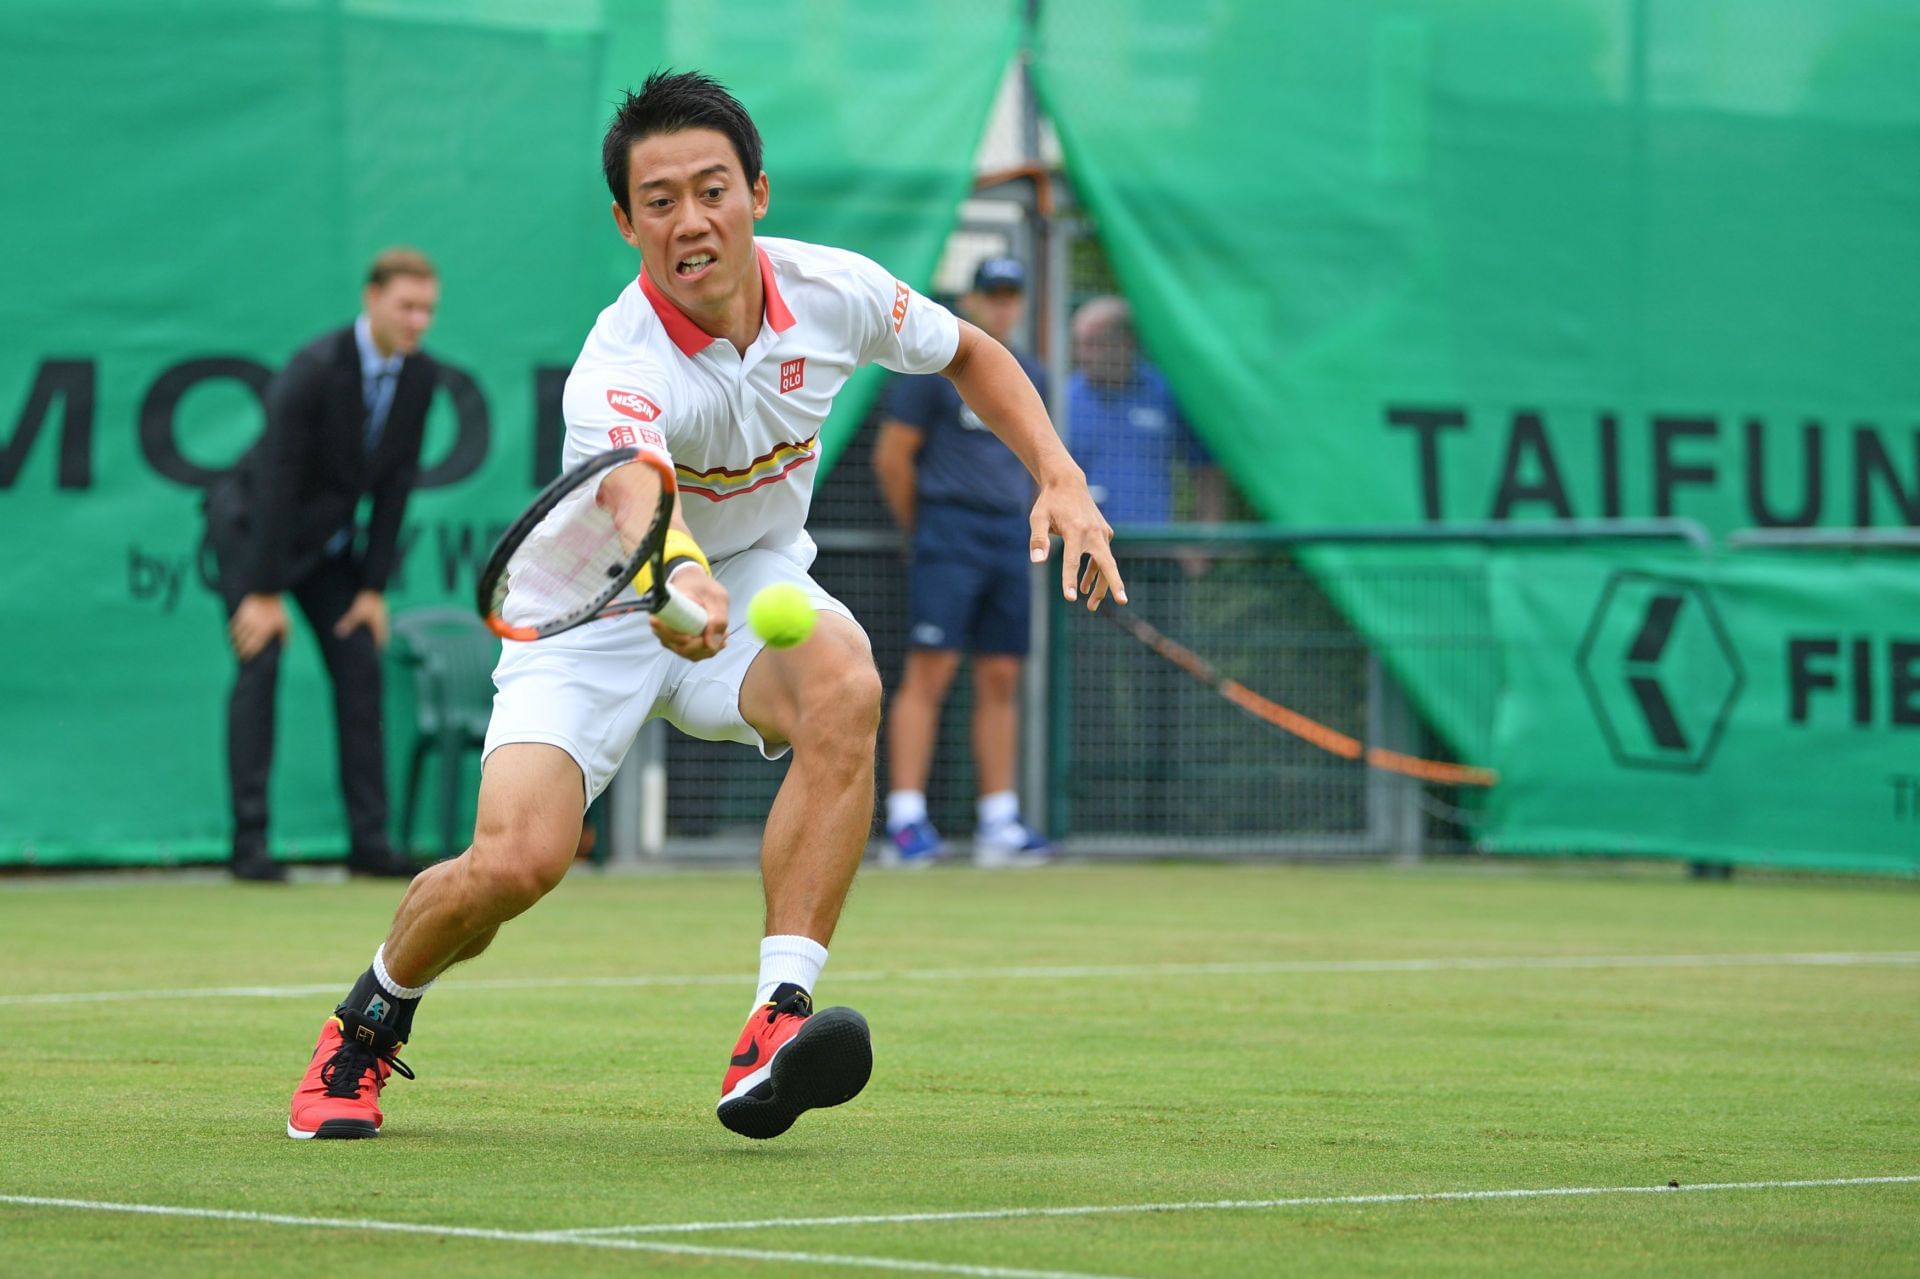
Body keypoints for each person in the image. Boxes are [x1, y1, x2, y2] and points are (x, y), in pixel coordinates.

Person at [284, 71, 1122, 1143]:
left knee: (846, 683)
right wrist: (679, 581)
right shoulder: (617, 365)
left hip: (756, 572)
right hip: (603, 606)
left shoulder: (836, 292)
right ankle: (370, 1015)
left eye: (712, 188)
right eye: (662, 199)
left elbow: (970, 352)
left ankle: (776, 1021)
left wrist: (1060, 473)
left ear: (757, 194)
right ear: (627, 222)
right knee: (517, 862)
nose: (692, 219)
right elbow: (640, 501)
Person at [202, 248, 441, 884]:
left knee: (360, 664)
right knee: (262, 663)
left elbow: (395, 486)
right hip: (256, 533)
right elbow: (278, 480)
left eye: (427, 309)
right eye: (406, 307)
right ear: (372, 299)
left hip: (329, 551)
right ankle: (249, 846)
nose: (418, 321)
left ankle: (369, 844)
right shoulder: (313, 369)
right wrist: (261, 590)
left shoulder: (420, 378)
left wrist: (371, 587)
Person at [872, 256, 1053, 868]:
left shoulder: (1033, 374)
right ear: (972, 299)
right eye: (992, 294)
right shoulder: (931, 366)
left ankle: (999, 819)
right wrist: (921, 530)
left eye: (1011, 294)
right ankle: (906, 817)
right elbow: (895, 457)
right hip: (946, 533)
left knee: (1002, 676)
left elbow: (1040, 460)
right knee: (931, 672)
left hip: (1009, 536)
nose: (1002, 305)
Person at [1066, 296, 1224, 532]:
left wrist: (1202, 544)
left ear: (1125, 343)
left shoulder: (1165, 395)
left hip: (1151, 549)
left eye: (1095, 344)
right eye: (1080, 344)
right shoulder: (1063, 400)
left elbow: (1207, 469)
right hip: (1083, 546)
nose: (1084, 355)